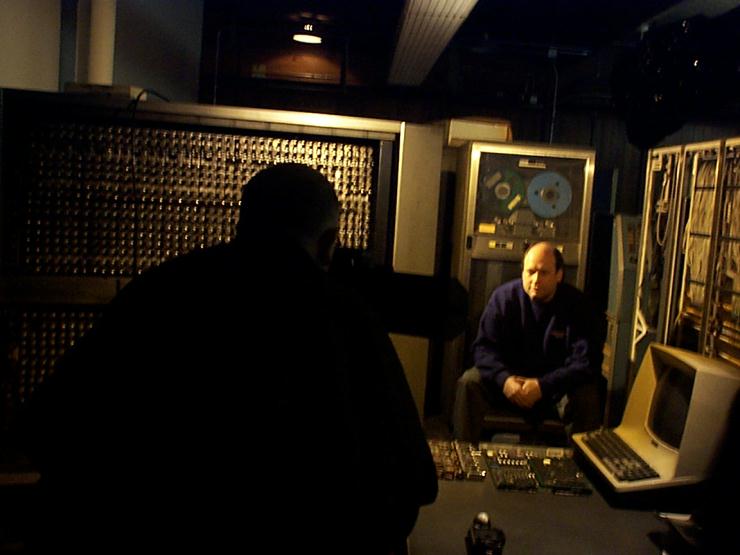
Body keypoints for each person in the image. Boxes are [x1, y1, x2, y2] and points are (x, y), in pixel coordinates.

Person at [17, 163, 437, 554]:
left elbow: (48, 425)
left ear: (242, 222)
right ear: (328, 244)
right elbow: (410, 481)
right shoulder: (346, 317)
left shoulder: (160, 292)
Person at [453, 241, 605, 443]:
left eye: (544, 273)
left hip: (555, 389)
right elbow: (482, 349)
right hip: (510, 384)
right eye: (530, 272)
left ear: (559, 275)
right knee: (469, 382)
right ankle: (462, 452)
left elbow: (585, 363)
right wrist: (504, 380)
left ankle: (580, 460)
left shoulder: (577, 305)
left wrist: (543, 386)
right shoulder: (503, 298)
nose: (535, 280)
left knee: (586, 394)